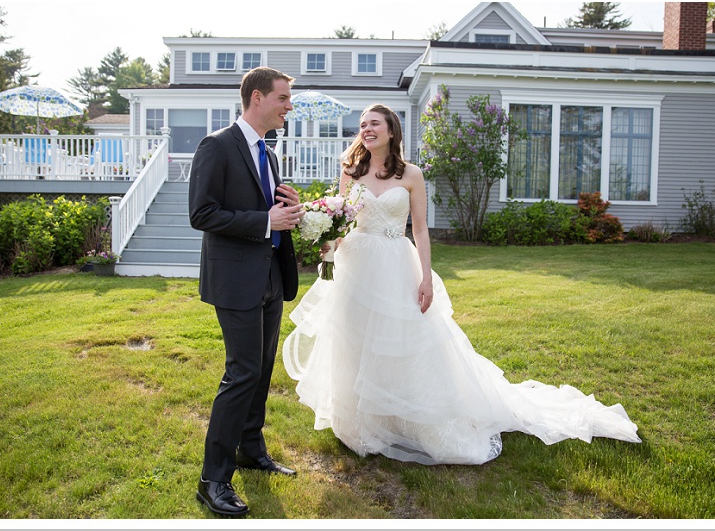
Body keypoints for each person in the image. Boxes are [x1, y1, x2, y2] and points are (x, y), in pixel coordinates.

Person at [282, 103, 641, 466]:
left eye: (374, 123)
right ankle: (361, 422)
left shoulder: (411, 174)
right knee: (354, 338)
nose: (367, 129)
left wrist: (426, 278)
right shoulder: (351, 171)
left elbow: (419, 229)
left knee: (403, 343)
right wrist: (329, 242)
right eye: (363, 125)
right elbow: (343, 218)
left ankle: (408, 416)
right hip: (356, 263)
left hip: (394, 263)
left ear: (392, 131)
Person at [189, 66, 304, 516]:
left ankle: (250, 450)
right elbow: (202, 213)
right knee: (240, 374)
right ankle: (212, 480)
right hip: (234, 280)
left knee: (259, 374)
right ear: (257, 98)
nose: (288, 106)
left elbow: (262, 208)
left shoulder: (268, 154)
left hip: (270, 277)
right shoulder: (217, 146)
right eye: (283, 98)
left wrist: (287, 208)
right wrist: (263, 221)